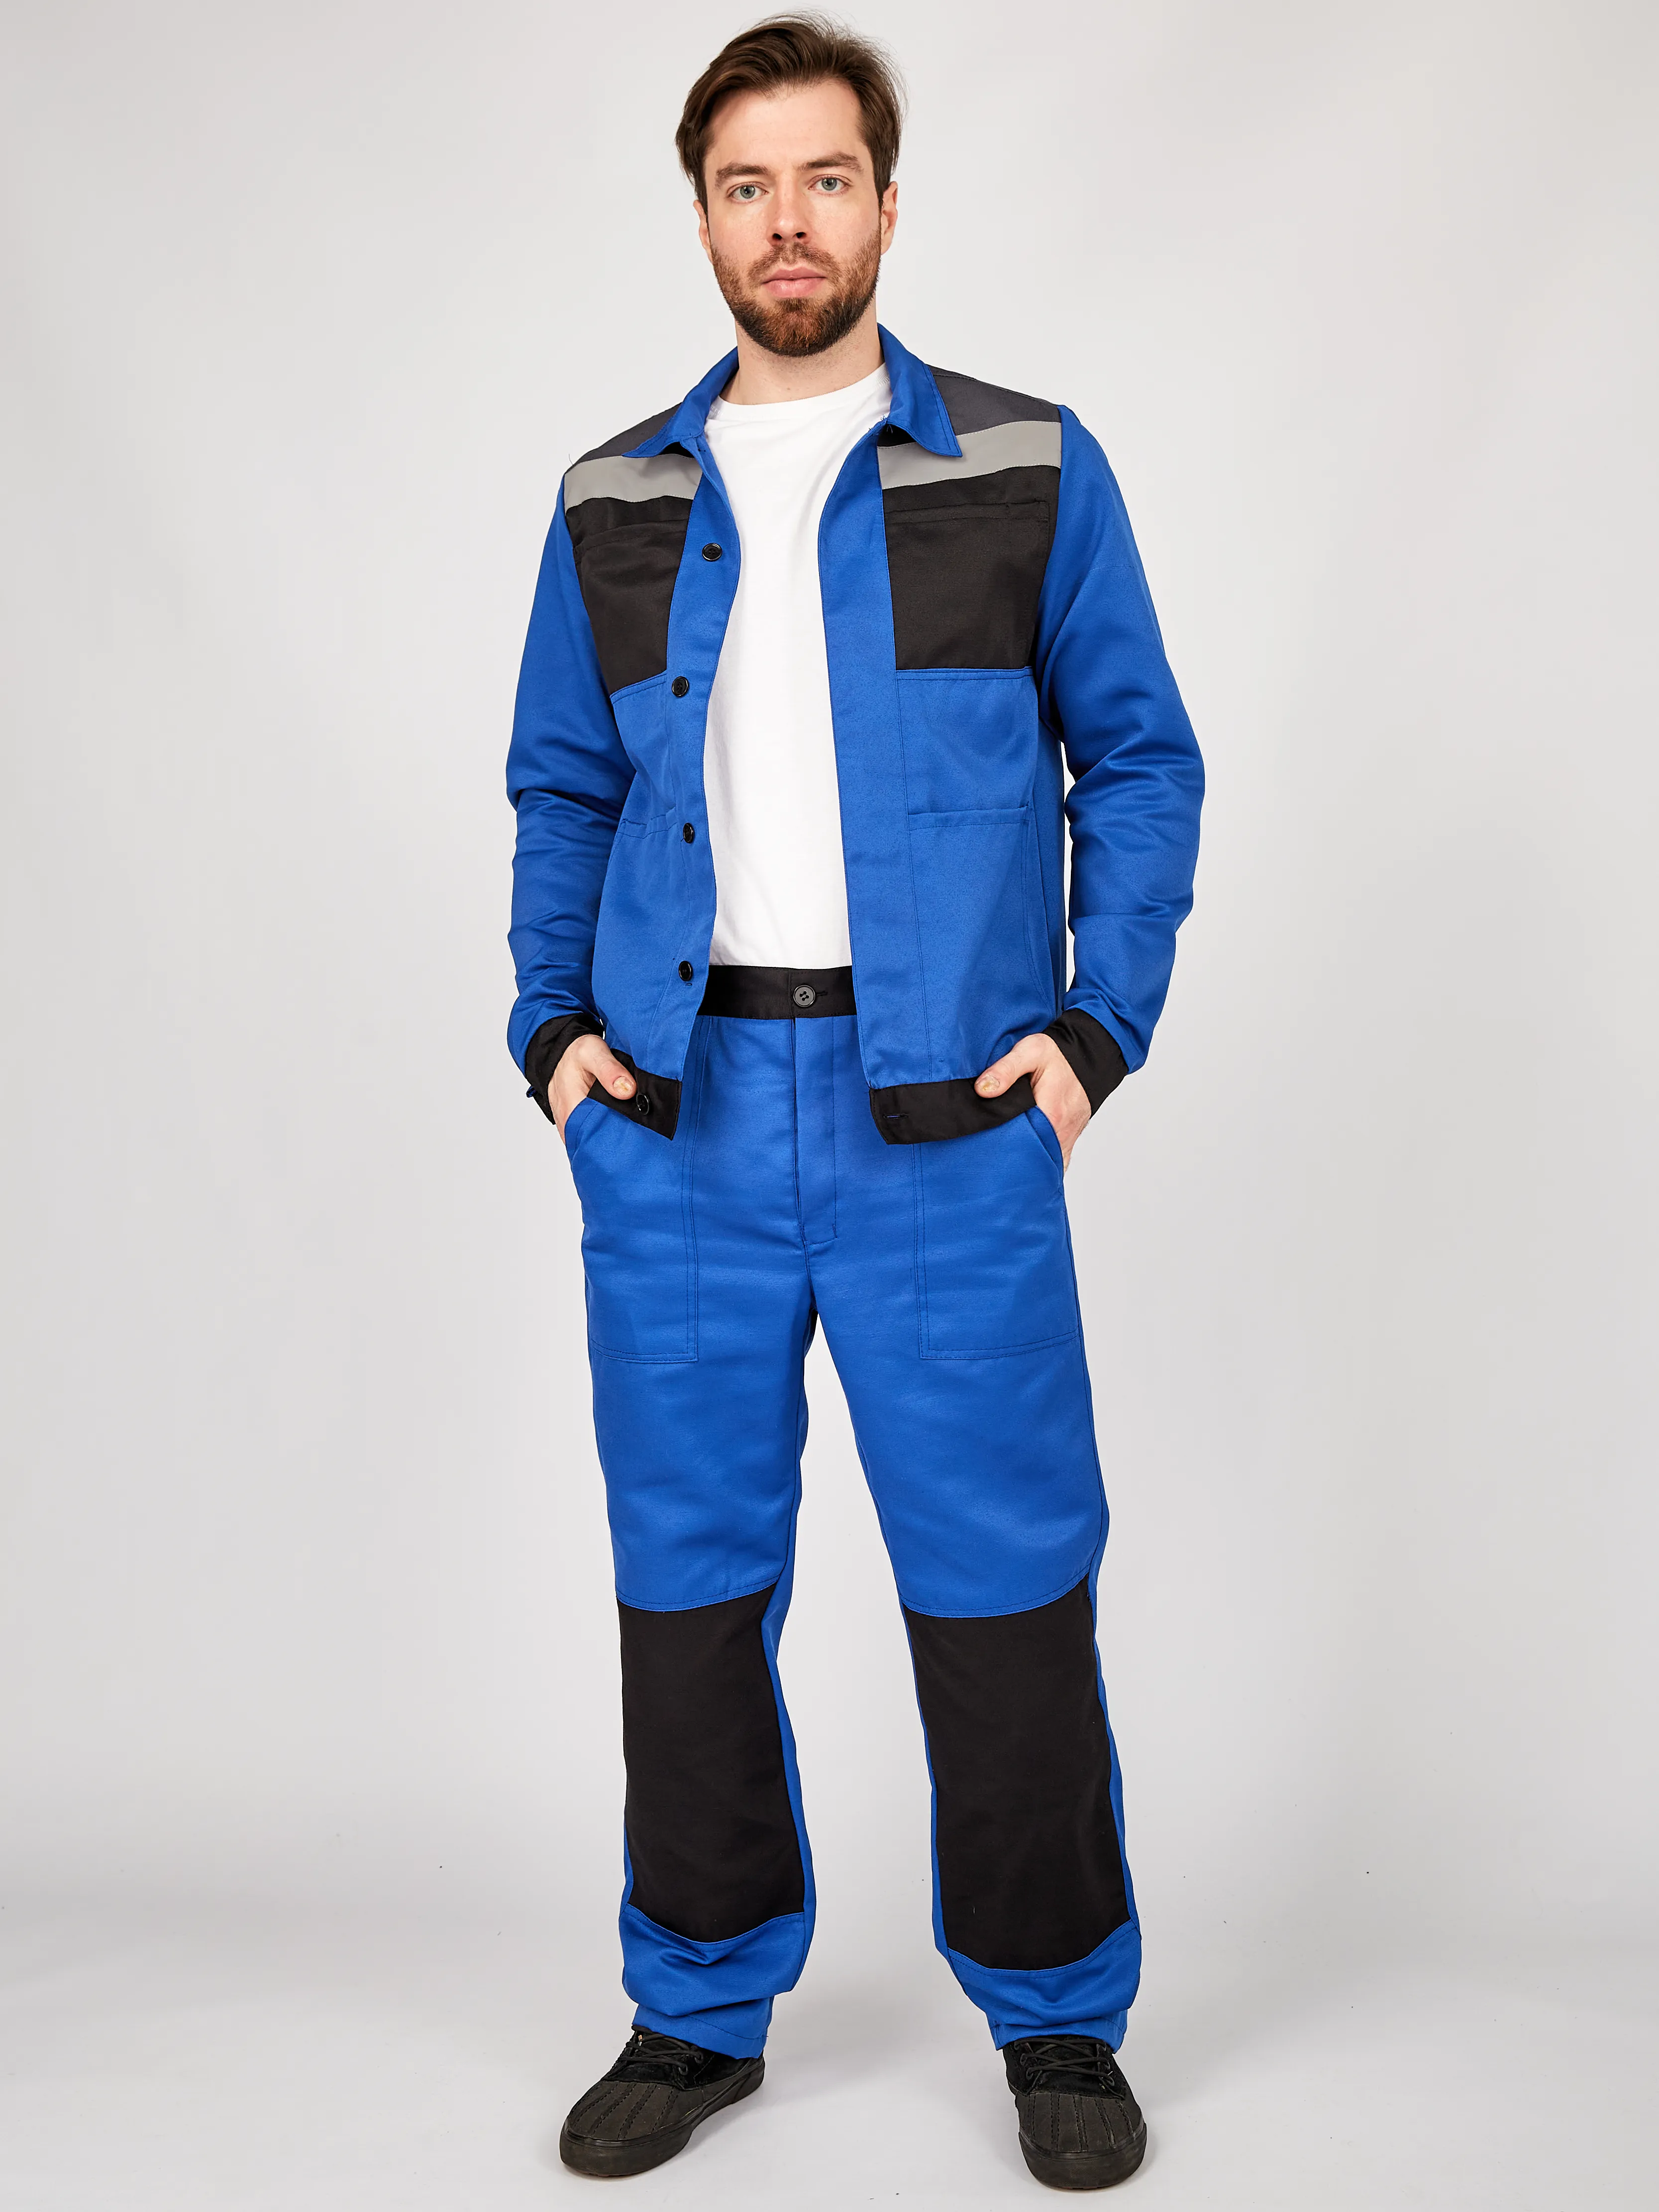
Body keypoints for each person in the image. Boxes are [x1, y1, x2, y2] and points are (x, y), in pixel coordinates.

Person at [505, 15, 1202, 2191]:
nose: (786, 222)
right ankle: (696, 2002)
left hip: (947, 1126)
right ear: (703, 216)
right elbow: (561, 785)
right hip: (679, 1119)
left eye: (824, 180)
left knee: (1002, 1578)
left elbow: (1140, 758)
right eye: (747, 185)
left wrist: (1089, 1040)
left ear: (886, 204)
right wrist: (553, 1039)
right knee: (688, 1581)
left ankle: (1057, 2011)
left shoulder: (1024, 465)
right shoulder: (614, 495)